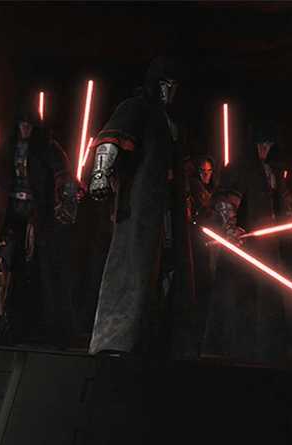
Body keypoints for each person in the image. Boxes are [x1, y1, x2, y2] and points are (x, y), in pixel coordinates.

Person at [88, 57, 197, 359]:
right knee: (133, 265)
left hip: (169, 204)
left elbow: (183, 166)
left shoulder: (174, 122)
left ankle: (160, 335)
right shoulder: (135, 108)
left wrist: (191, 199)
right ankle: (118, 339)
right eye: (165, 84)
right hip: (141, 202)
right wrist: (100, 173)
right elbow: (110, 140)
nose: (170, 91)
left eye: (174, 85)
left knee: (169, 265)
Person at [202, 121, 292, 364]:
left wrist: (291, 228)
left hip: (273, 241)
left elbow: (283, 201)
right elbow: (226, 198)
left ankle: (271, 345)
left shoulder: (274, 170)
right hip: (248, 241)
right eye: (261, 144)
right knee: (243, 292)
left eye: (268, 145)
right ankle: (239, 345)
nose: (264, 149)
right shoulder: (240, 166)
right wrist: (230, 226)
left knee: (273, 293)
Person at [0, 96, 79, 348]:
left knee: (34, 265)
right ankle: (0, 318)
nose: (25, 128)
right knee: (2, 261)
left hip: (37, 215)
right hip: (9, 214)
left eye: (29, 124)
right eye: (21, 123)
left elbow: (65, 176)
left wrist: (67, 201)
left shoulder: (47, 147)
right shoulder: (4, 149)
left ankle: (33, 324)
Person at [188, 155, 220, 343]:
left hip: (212, 239)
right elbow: (202, 210)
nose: (205, 175)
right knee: (202, 278)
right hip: (199, 238)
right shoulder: (194, 185)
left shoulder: (212, 189)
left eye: (209, 171)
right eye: (202, 171)